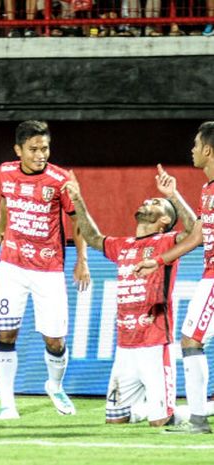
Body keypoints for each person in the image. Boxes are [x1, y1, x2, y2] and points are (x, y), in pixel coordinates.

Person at [63, 165, 196, 426]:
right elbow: (92, 237)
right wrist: (77, 199)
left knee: (161, 422)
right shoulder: (122, 246)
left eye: (156, 202)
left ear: (164, 221)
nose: (148, 200)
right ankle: (153, 407)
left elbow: (195, 231)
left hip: (154, 344)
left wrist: (174, 195)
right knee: (116, 421)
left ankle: (203, 408)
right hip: (125, 347)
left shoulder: (167, 242)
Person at [0, 120, 90, 420]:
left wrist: (81, 260)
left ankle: (55, 385)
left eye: (44, 148)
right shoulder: (5, 171)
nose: (40, 154)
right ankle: (7, 405)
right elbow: (5, 199)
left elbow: (77, 220)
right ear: (18, 150)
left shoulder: (59, 180)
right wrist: (0, 226)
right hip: (11, 266)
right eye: (33, 149)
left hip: (48, 269)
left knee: (55, 340)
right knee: (6, 333)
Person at [135, 122, 214, 434]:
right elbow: (196, 233)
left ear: (208, 150)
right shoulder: (208, 189)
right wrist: (157, 260)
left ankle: (197, 420)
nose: (192, 150)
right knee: (191, 340)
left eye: (196, 145)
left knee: (191, 340)